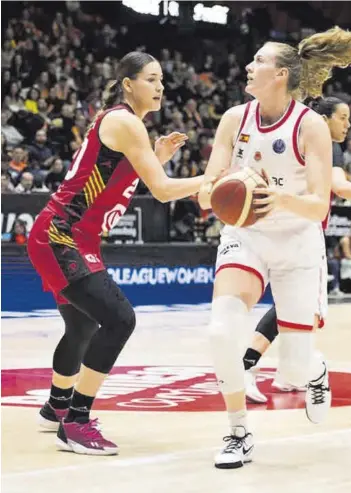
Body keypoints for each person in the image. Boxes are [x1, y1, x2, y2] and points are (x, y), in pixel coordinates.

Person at [27, 51, 212, 456]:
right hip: (63, 235)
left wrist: (157, 158)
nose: (160, 86)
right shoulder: (125, 121)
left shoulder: (128, 125)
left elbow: (120, 180)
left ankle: (56, 406)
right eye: (151, 78)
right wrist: (216, 179)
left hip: (70, 236)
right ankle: (75, 421)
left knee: (81, 327)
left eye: (162, 79)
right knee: (119, 319)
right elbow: (163, 191)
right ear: (128, 83)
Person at [198, 27, 351, 469]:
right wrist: (211, 192)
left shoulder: (310, 125)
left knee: (292, 368)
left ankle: (314, 369)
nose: (249, 67)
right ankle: (238, 433)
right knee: (220, 332)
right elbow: (209, 184)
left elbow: (318, 205)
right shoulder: (235, 118)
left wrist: (277, 197)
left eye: (258, 61)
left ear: (282, 74)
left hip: (296, 238)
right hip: (246, 235)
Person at [243, 97, 351, 403]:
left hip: (275, 227)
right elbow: (341, 187)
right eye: (343, 117)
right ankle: (248, 363)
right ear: (323, 118)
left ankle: (288, 374)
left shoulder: (292, 134)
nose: (348, 124)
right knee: (303, 308)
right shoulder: (323, 141)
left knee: (296, 308)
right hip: (301, 232)